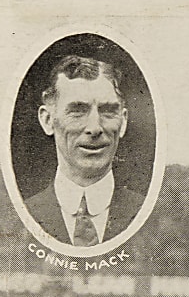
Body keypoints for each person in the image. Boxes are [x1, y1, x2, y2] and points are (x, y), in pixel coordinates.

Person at [26, 55, 145, 247]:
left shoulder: (150, 213)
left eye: (108, 111)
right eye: (77, 111)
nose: (95, 128)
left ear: (123, 122)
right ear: (47, 120)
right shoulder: (22, 214)